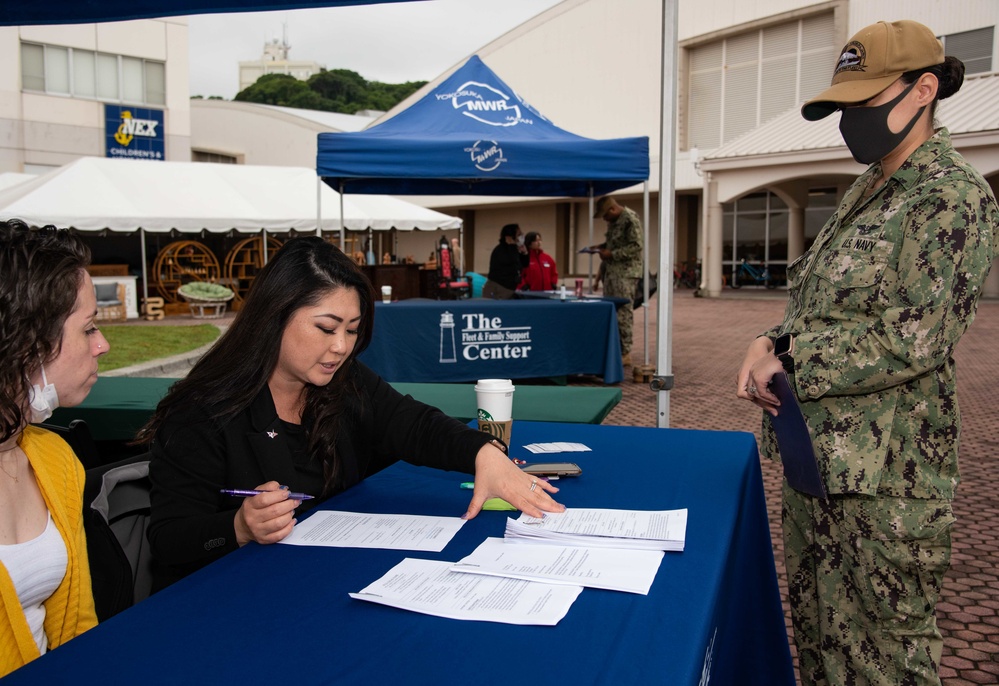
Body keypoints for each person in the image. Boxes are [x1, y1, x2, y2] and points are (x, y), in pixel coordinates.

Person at [736, 20, 997, 686]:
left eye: (864, 101)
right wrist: (773, 338)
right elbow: (822, 307)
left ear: (923, 90)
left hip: (887, 486)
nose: (851, 118)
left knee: (883, 659)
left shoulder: (949, 197)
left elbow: (915, 334)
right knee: (822, 646)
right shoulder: (866, 188)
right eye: (844, 105)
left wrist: (790, 360)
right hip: (819, 466)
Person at [139, 237, 563, 589]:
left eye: (353, 330)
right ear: (274, 316)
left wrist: (483, 453)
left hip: (323, 584)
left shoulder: (345, 382)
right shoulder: (200, 412)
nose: (341, 347)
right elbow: (170, 539)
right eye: (326, 328)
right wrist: (239, 527)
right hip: (234, 602)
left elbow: (412, 423)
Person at [0, 220, 107, 676]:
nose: (102, 345)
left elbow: (77, 624)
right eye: (88, 329)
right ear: (28, 343)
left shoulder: (56, 458)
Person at [589, 197, 643, 366]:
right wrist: (601, 247)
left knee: (623, 313)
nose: (605, 220)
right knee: (610, 311)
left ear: (612, 209)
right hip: (612, 273)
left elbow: (636, 246)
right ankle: (615, 349)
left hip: (625, 274)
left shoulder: (630, 220)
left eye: (605, 216)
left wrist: (612, 254)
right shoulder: (615, 221)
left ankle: (625, 352)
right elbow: (615, 243)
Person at [483, 223, 528, 299]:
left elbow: (525, 264)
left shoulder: (514, 249)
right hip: (498, 287)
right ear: (510, 237)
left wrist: (525, 253)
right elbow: (512, 262)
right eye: (519, 234)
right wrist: (512, 246)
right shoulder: (500, 250)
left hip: (509, 288)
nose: (521, 236)